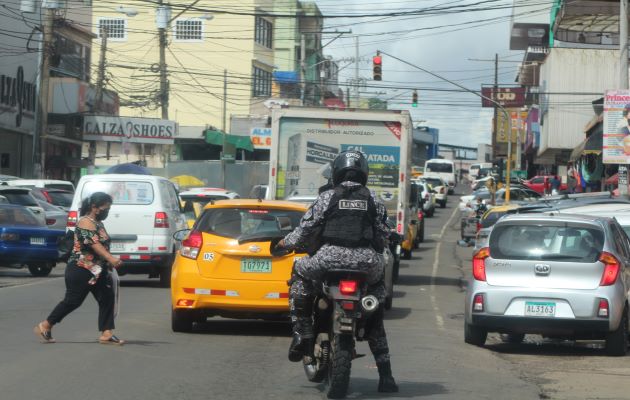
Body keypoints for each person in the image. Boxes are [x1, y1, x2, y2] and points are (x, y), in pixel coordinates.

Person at [276, 150, 398, 393]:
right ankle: (386, 376)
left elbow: (305, 230)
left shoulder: (326, 197)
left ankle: (303, 332)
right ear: (364, 173)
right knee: (375, 307)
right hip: (367, 263)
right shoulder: (373, 199)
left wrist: (283, 245)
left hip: (328, 259)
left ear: (336, 172)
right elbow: (385, 234)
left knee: (299, 272)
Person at [34, 192, 124, 345]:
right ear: (94, 207)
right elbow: (93, 244)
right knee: (73, 301)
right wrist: (110, 258)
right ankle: (46, 325)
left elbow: (101, 245)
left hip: (96, 269)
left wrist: (107, 263)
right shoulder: (85, 222)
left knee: (107, 298)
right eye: (106, 208)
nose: (107, 211)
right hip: (80, 268)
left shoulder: (98, 223)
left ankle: (107, 333)